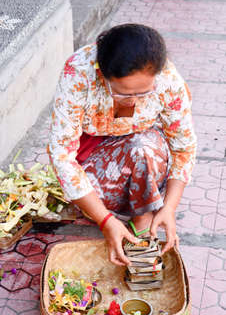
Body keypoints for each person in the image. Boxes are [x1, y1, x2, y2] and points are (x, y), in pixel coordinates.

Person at [48, 24, 197, 266]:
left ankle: (143, 216)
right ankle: (117, 214)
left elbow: (184, 147)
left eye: (144, 93)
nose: (135, 101)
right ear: (102, 74)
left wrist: (169, 208)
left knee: (144, 146)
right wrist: (106, 221)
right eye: (125, 94)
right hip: (93, 156)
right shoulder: (79, 72)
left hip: (143, 150)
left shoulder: (168, 81)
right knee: (89, 199)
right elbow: (62, 154)